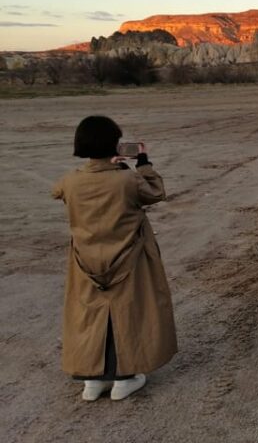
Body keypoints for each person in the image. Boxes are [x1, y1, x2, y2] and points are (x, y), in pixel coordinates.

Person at [52, 116, 177, 401]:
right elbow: (156, 192)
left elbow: (56, 191)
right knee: (128, 313)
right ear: (115, 144)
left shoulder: (71, 181)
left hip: (85, 262)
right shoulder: (128, 179)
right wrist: (142, 163)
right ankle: (126, 375)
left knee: (89, 314)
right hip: (129, 259)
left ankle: (92, 378)